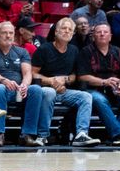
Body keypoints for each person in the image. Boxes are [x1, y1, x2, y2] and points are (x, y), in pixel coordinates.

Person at [29, 18, 101, 147]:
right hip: (44, 89)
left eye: (70, 30)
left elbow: (75, 75)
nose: (67, 31)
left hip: (64, 90)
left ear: (73, 34)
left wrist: (65, 79)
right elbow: (32, 73)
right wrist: (51, 81)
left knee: (86, 96)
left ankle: (81, 134)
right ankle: (42, 135)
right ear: (56, 31)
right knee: (49, 92)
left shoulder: (74, 50)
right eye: (64, 28)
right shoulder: (44, 49)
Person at [0, 21, 48, 147]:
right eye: (4, 33)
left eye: (11, 33)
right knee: (0, 88)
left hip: (18, 90)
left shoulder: (22, 52)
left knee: (36, 90)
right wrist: (3, 80)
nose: (8, 36)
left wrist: (25, 85)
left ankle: (27, 134)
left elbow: (27, 73)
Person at [76, 23, 120, 145]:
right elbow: (82, 76)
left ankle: (118, 137)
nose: (102, 34)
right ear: (93, 36)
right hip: (93, 90)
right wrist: (104, 82)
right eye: (99, 32)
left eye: (105, 32)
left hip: (114, 90)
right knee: (99, 100)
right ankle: (119, 135)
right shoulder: (86, 51)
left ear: (110, 36)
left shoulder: (118, 51)